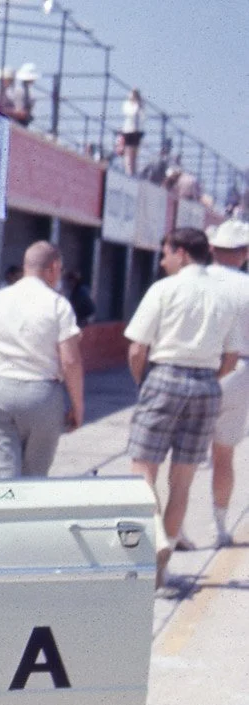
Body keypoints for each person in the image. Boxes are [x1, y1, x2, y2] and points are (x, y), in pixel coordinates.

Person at [124, 227, 238, 582]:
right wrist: (204, 380)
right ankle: (162, 569)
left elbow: (137, 348)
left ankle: (154, 536)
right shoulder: (225, 297)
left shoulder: (164, 289)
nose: (162, 260)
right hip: (207, 383)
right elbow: (231, 357)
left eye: (165, 253)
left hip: (165, 376)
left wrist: (145, 383)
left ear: (183, 253)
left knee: (143, 467)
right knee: (183, 480)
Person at [0, 241, 84, 479]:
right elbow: (70, 362)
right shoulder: (58, 305)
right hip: (41, 395)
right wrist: (77, 406)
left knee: (3, 479)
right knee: (35, 478)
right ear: (54, 268)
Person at [197, 220, 249, 548]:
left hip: (195, 368)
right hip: (239, 372)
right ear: (245, 254)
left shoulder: (194, 283)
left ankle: (174, 533)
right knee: (223, 455)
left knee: (182, 459)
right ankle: (219, 527)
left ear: (213, 250)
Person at [119, 89, 144, 177]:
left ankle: (133, 171)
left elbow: (143, 116)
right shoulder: (127, 104)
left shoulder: (140, 105)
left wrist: (139, 104)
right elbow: (131, 113)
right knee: (128, 152)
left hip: (137, 130)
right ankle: (129, 172)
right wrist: (136, 105)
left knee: (135, 152)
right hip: (128, 130)